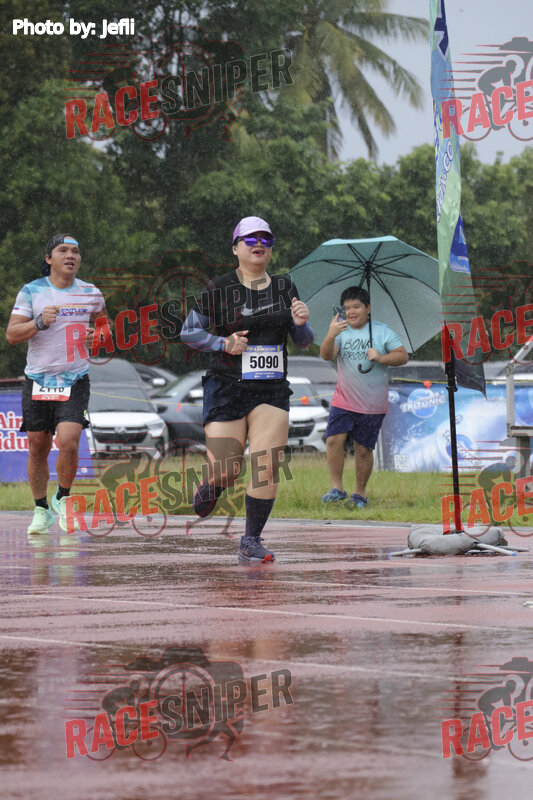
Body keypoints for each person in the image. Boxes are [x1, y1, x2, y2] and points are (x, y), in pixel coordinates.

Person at [180, 216, 313, 563]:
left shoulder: (285, 287)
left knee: (266, 463)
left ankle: (251, 539)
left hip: (271, 389)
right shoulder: (217, 288)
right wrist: (222, 343)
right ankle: (214, 483)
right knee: (228, 468)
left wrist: (301, 323)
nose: (259, 245)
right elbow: (188, 333)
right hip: (226, 386)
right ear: (235, 247)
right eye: (251, 239)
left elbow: (303, 340)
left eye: (266, 239)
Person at [5, 234, 105, 534]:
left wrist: (98, 336)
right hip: (38, 379)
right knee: (37, 445)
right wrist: (38, 322)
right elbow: (12, 335)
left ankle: (63, 496)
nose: (70, 256)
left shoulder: (90, 292)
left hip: (74, 378)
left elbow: (105, 327)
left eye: (75, 251)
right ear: (49, 258)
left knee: (69, 440)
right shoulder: (32, 291)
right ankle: (41, 509)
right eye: (63, 251)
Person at [320, 286, 408, 507]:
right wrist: (331, 334)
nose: (351, 312)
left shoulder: (382, 331)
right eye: (347, 307)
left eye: (356, 307)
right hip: (343, 399)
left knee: (363, 449)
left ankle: (359, 494)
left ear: (368, 308)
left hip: (372, 404)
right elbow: (326, 355)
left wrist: (381, 357)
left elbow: (402, 356)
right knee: (333, 440)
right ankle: (337, 489)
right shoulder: (340, 331)